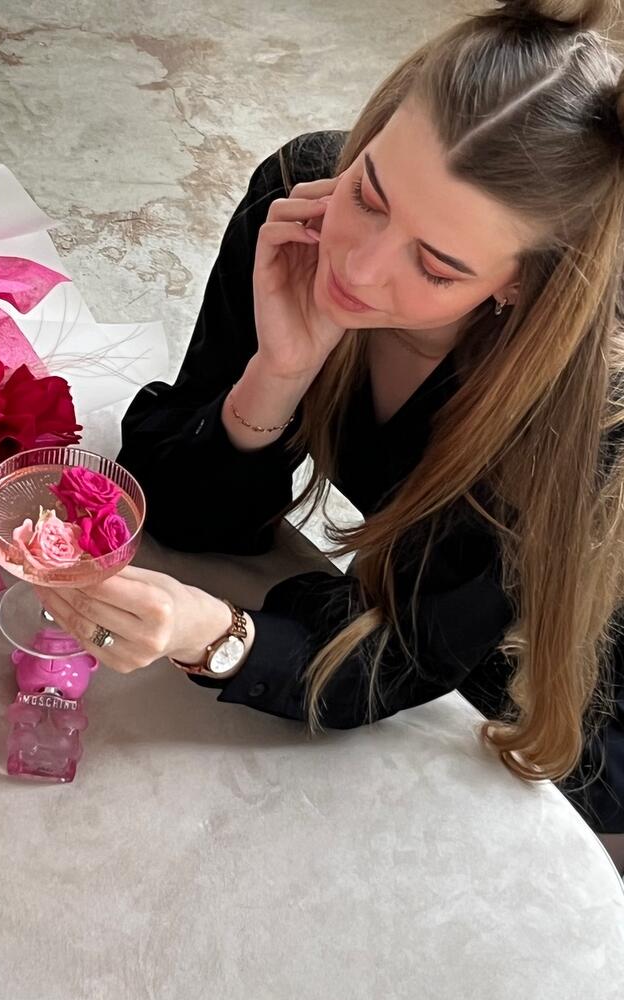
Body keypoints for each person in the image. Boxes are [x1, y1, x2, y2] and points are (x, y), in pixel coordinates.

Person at [34, 0, 624, 865]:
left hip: (569, 673)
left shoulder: (579, 414)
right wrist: (278, 373)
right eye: (370, 195)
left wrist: (214, 634)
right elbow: (187, 509)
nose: (358, 265)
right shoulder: (301, 204)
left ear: (519, 287)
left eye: (436, 266)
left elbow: (409, 650)